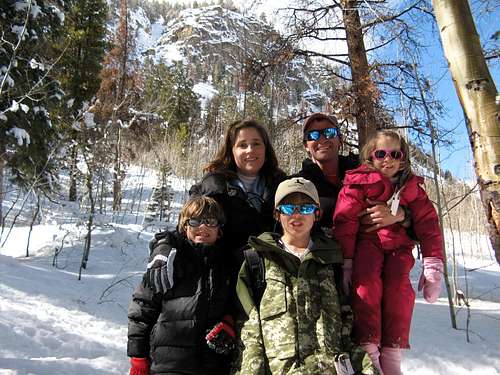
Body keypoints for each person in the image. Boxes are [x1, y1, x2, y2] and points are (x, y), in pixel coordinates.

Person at [332, 130, 444, 375]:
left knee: (399, 291)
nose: (388, 159)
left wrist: (433, 263)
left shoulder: (412, 187)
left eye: (395, 153)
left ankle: (392, 353)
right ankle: (370, 350)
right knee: (366, 287)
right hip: (367, 245)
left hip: (398, 248)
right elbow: (345, 221)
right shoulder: (359, 182)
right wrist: (347, 262)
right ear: (370, 157)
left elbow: (428, 223)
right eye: (381, 153)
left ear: (402, 158)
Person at [237, 177, 369, 375]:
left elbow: (346, 329)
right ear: (276, 214)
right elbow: (249, 334)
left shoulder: (332, 261)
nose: (297, 215)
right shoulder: (257, 261)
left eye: (306, 208)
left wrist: (367, 368)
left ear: (317, 214)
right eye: (289, 208)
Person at [127, 196, 238, 375]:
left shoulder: (229, 265)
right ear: (185, 226)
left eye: (210, 221)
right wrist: (138, 358)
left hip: (214, 365)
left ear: (220, 229)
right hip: (168, 365)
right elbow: (142, 309)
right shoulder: (167, 262)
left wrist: (228, 322)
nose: (202, 227)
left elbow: (237, 306)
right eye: (195, 221)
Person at [189, 119, 286, 265]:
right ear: (231, 150)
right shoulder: (213, 186)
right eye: (242, 145)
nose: (250, 150)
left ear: (266, 149)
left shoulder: (282, 186)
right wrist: (163, 248)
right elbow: (187, 227)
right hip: (225, 272)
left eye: (256, 144)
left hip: (272, 272)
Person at [295, 113, 409, 236]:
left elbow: (420, 212)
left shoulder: (368, 171)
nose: (322, 139)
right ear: (306, 145)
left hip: (383, 248)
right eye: (313, 135)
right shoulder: (298, 185)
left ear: (340, 139)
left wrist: (400, 214)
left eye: (329, 132)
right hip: (329, 253)